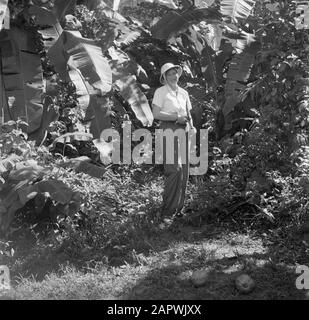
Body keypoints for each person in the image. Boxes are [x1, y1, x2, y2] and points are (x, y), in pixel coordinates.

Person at [152, 62, 196, 220]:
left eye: (175, 73)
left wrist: (192, 127)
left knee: (184, 170)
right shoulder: (160, 92)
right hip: (168, 129)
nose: (173, 76)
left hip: (184, 130)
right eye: (169, 74)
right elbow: (156, 113)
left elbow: (188, 114)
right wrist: (175, 117)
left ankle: (178, 210)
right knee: (174, 169)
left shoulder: (184, 93)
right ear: (164, 77)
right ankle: (167, 212)